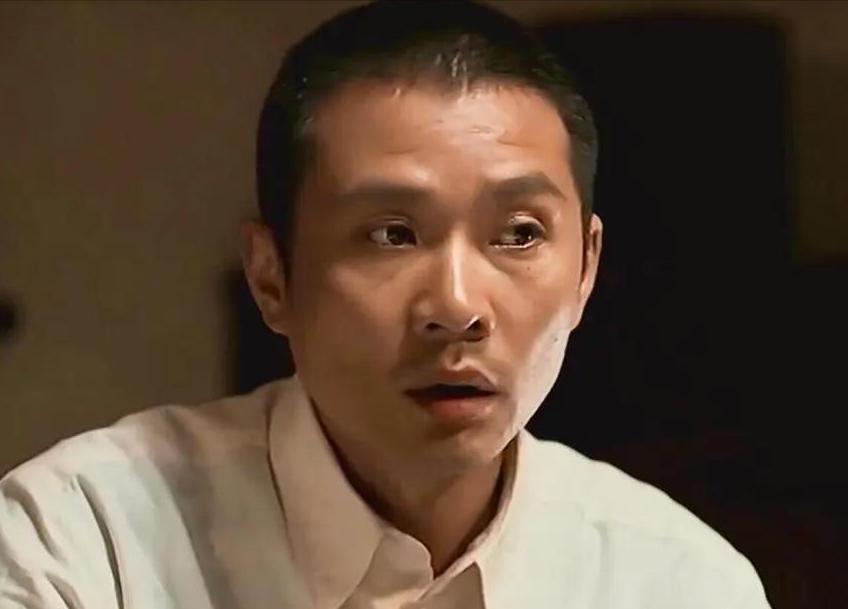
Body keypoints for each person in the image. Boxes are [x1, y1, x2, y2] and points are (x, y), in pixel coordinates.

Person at [0, 1, 771, 607]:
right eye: (392, 234)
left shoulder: (677, 582)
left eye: (519, 233)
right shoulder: (84, 541)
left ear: (585, 271)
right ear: (271, 277)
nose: (457, 306)